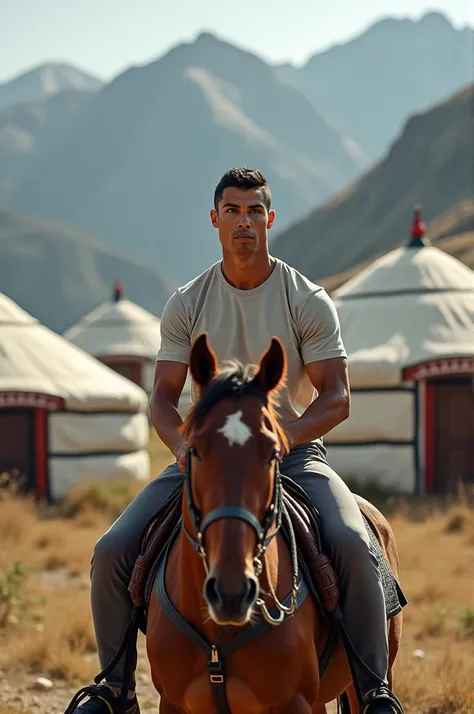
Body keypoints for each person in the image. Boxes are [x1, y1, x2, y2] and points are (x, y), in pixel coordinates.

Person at [75, 168, 404, 714]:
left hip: (293, 456)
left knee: (354, 543)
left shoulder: (306, 299)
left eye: (254, 211)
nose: (244, 222)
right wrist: (184, 451)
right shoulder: (187, 302)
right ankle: (114, 688)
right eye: (232, 211)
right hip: (203, 458)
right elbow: (161, 397)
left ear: (270, 219)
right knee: (112, 549)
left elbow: (337, 396)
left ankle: (374, 692)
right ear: (215, 220)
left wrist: (281, 438)